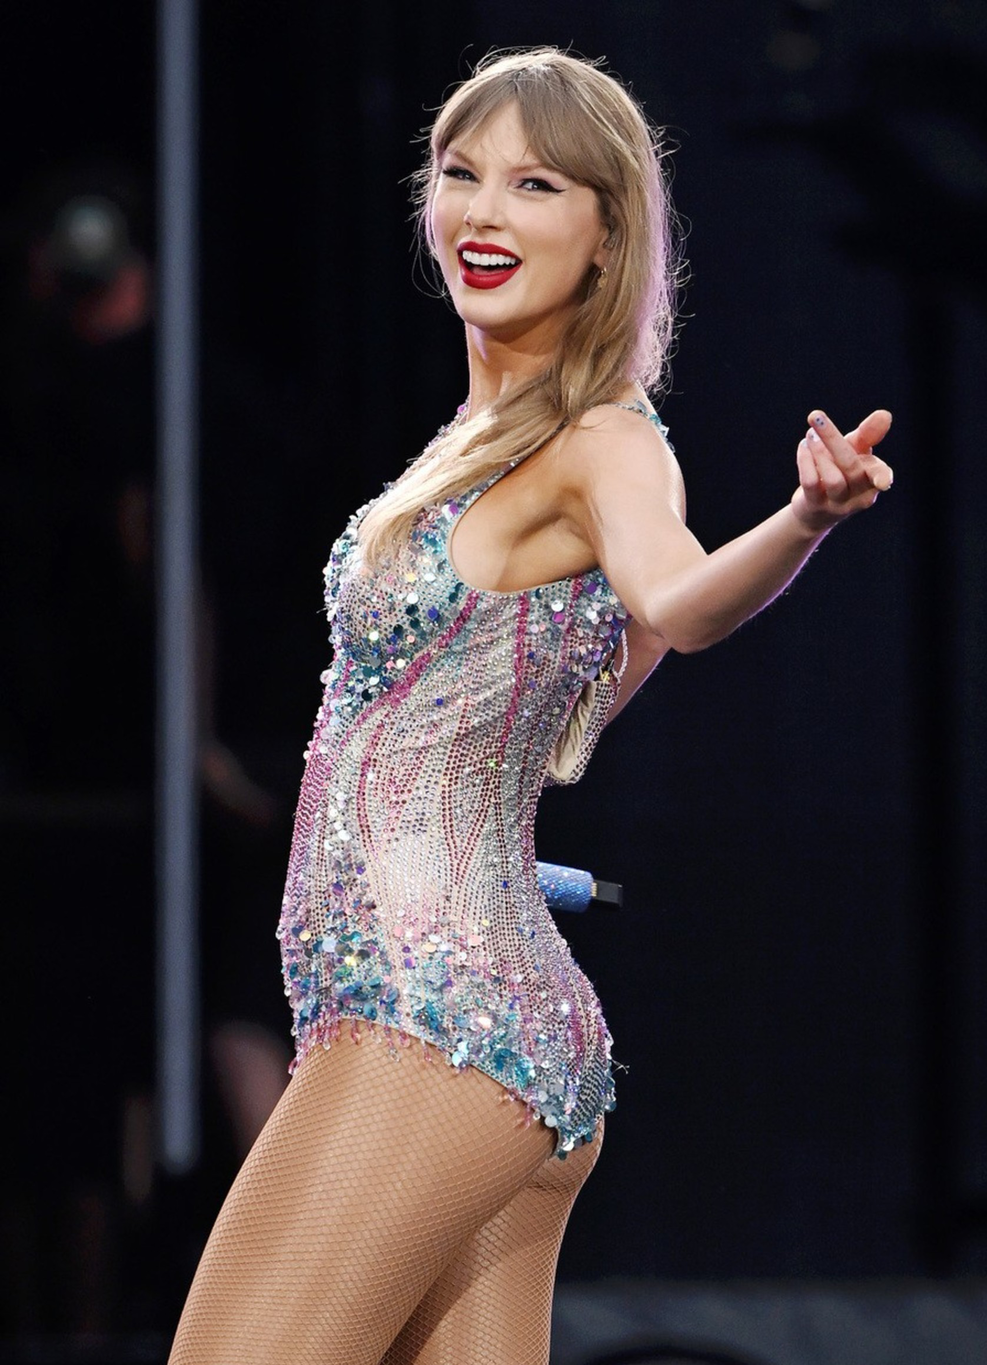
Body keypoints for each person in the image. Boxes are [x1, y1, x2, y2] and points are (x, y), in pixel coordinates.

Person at [168, 48, 891, 1365]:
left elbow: (674, 604)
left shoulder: (604, 442)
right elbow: (583, 686)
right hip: (471, 1025)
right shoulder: (476, 440)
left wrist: (800, 520)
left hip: (438, 1024)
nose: (482, 212)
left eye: (536, 183)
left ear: (607, 233)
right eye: (460, 174)